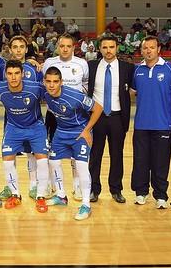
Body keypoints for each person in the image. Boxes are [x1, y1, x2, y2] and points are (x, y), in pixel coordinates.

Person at [43, 66, 103, 220]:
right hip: (61, 133)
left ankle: (86, 205)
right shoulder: (45, 94)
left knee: (82, 167)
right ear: (44, 82)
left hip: (79, 133)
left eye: (55, 82)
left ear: (61, 82)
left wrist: (87, 130)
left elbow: (98, 108)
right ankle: (61, 196)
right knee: (53, 162)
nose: (51, 85)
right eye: (48, 81)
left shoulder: (75, 96)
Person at [0, 60, 50, 212]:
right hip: (13, 128)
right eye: (10, 74)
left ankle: (40, 196)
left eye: (17, 73)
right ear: (5, 75)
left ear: (23, 74)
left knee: (42, 160)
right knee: (7, 161)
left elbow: (53, 93)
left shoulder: (36, 88)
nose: (13, 77)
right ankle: (15, 194)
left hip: (35, 127)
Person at [87, 35, 134, 204]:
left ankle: (116, 189)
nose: (108, 50)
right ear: (100, 49)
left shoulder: (127, 68)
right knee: (95, 155)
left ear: (117, 48)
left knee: (117, 155)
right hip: (96, 118)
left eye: (111, 47)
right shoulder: (91, 66)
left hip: (117, 117)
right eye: (105, 47)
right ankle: (93, 189)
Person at [131, 35, 171, 208]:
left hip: (163, 125)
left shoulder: (170, 69)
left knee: (161, 162)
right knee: (141, 161)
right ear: (141, 50)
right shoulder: (137, 70)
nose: (148, 51)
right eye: (145, 48)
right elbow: (132, 91)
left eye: (152, 47)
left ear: (158, 49)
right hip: (141, 125)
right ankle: (141, 193)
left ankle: (161, 196)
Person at [42, 33, 89, 201]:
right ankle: (56, 187)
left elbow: (85, 84)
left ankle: (77, 186)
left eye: (68, 46)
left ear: (73, 47)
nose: (65, 49)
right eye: (62, 46)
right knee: (53, 152)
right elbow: (44, 83)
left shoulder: (82, 63)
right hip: (54, 114)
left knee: (76, 154)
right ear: (58, 47)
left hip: (75, 115)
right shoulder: (49, 63)